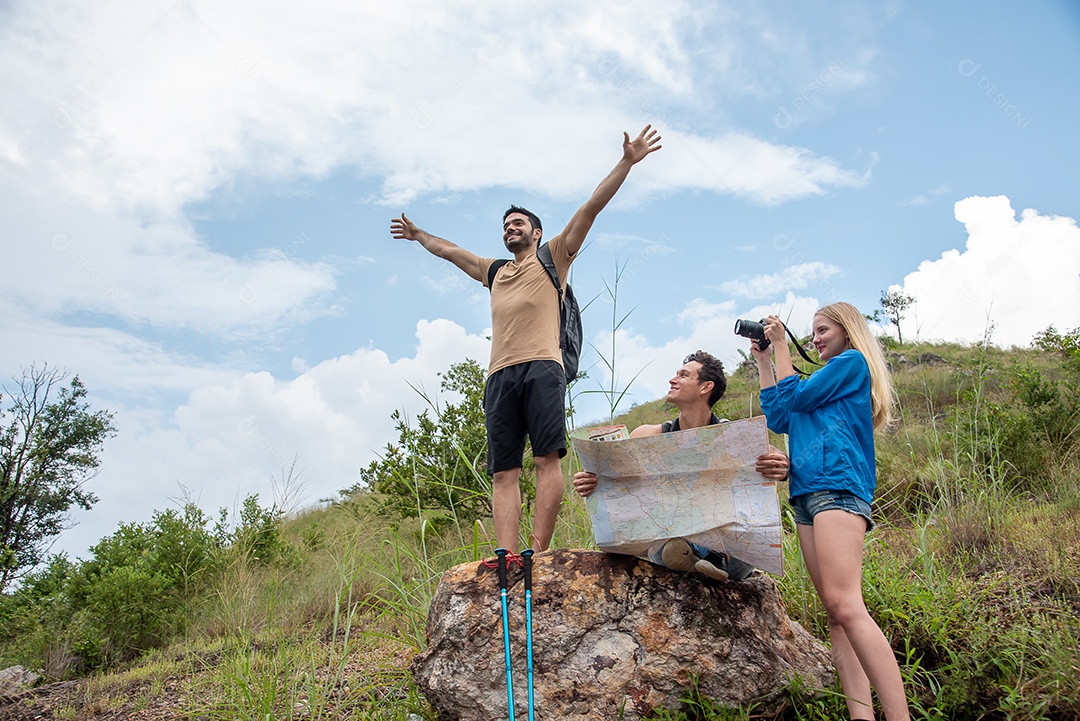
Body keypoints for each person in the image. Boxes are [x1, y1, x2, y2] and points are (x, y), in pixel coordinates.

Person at [390, 125, 662, 554]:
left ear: (536, 232)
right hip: (499, 375)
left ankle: (538, 551)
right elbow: (449, 251)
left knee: (545, 460)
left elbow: (591, 207)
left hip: (543, 367)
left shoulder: (554, 255)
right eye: (505, 226)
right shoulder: (494, 271)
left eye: (517, 223)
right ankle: (508, 557)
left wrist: (627, 161)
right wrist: (419, 235)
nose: (509, 230)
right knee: (503, 471)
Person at [752, 304, 909, 720]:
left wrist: (784, 344)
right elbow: (782, 414)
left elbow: (798, 395)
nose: (816, 338)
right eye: (812, 332)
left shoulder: (851, 363)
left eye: (822, 330)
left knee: (846, 604)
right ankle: (862, 717)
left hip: (837, 486)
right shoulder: (818, 380)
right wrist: (765, 360)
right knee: (836, 616)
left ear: (847, 330)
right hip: (807, 495)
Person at [572, 350, 790, 581]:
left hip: (729, 551)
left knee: (736, 540)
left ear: (706, 387)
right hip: (672, 543)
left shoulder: (733, 435)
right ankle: (692, 559)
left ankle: (708, 561)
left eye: (683, 375)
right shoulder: (647, 435)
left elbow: (776, 457)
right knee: (669, 544)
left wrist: (783, 466)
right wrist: (589, 481)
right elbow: (608, 475)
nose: (672, 379)